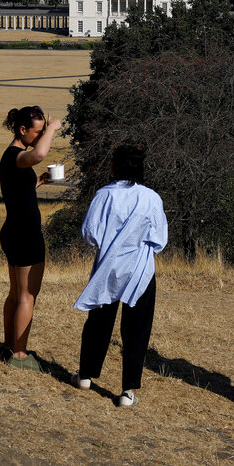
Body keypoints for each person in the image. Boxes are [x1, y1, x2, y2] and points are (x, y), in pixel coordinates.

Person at [71, 144, 168, 407]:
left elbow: (89, 235)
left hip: (107, 269)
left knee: (99, 323)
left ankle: (85, 376)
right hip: (140, 271)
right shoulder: (151, 198)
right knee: (136, 329)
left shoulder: (104, 195)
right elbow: (159, 240)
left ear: (115, 167)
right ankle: (127, 391)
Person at [0, 105, 61, 371]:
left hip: (13, 230)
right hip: (26, 234)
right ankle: (20, 355)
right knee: (27, 296)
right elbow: (41, 153)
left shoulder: (11, 157)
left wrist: (38, 183)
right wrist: (53, 129)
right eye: (37, 132)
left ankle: (9, 345)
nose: (39, 136)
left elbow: (18, 190)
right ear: (22, 130)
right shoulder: (18, 155)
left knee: (15, 294)